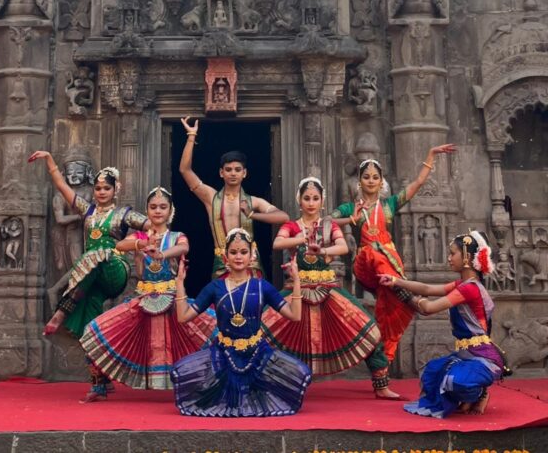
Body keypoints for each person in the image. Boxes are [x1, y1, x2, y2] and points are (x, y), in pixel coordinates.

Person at [262, 177, 401, 399]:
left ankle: (381, 384)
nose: (311, 203)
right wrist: (301, 239)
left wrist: (323, 251)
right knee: (261, 328)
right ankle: (263, 382)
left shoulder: (329, 226)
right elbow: (277, 243)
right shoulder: (292, 226)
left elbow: (343, 246)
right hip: (296, 291)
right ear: (299, 201)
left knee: (369, 329)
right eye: (307, 198)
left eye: (315, 198)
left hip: (328, 289)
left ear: (322, 202)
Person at [79, 187, 217, 400]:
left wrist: (161, 254)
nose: (158, 211)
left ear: (171, 211)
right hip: (143, 301)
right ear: (147, 210)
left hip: (172, 302)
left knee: (214, 333)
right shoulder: (140, 236)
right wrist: (140, 244)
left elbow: (184, 248)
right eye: (153, 207)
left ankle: (208, 384)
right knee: (94, 331)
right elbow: (120, 245)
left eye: (163, 207)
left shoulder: (176, 237)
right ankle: (100, 385)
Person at [331, 144, 456, 362]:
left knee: (389, 310)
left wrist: (431, 154)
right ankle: (407, 293)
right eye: (366, 177)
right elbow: (327, 221)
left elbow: (418, 183)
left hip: (389, 264)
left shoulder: (389, 205)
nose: (371, 181)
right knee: (374, 255)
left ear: (381, 182)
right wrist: (350, 219)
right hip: (366, 262)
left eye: (375, 177)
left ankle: (383, 358)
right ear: (359, 181)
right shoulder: (351, 208)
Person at [171, 228, 312, 417]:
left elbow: (294, 315)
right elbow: (183, 316)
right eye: (234, 252)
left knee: (300, 372)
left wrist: (296, 282)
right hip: (223, 354)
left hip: (257, 353)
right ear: (225, 256)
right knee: (180, 371)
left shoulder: (262, 286)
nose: (238, 257)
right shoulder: (215, 287)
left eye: (243, 252)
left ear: (252, 255)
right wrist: (180, 282)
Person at [378, 231, 506, 418]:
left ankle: (480, 393)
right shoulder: (463, 284)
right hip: (465, 355)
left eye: (453, 253)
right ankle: (467, 397)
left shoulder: (469, 289)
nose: (449, 258)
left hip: (482, 357)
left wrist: (405, 296)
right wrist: (396, 281)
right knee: (431, 373)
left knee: (455, 381)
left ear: (467, 257)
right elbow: (428, 288)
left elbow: (428, 308)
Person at [28, 150, 149, 337]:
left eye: (106, 188)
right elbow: (62, 186)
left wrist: (139, 244)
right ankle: (97, 345)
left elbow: (152, 226)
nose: (102, 192)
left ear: (116, 189)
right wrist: (49, 160)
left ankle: (61, 312)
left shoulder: (123, 214)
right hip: (93, 274)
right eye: (98, 188)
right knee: (91, 323)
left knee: (97, 255)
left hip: (115, 269)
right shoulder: (87, 211)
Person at [179, 116, 289, 278]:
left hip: (250, 263)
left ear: (244, 173)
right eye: (228, 169)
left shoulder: (253, 202)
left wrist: (252, 214)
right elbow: (185, 170)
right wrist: (191, 136)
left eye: (237, 170)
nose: (233, 173)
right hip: (222, 262)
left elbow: (283, 217)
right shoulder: (211, 197)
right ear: (221, 173)